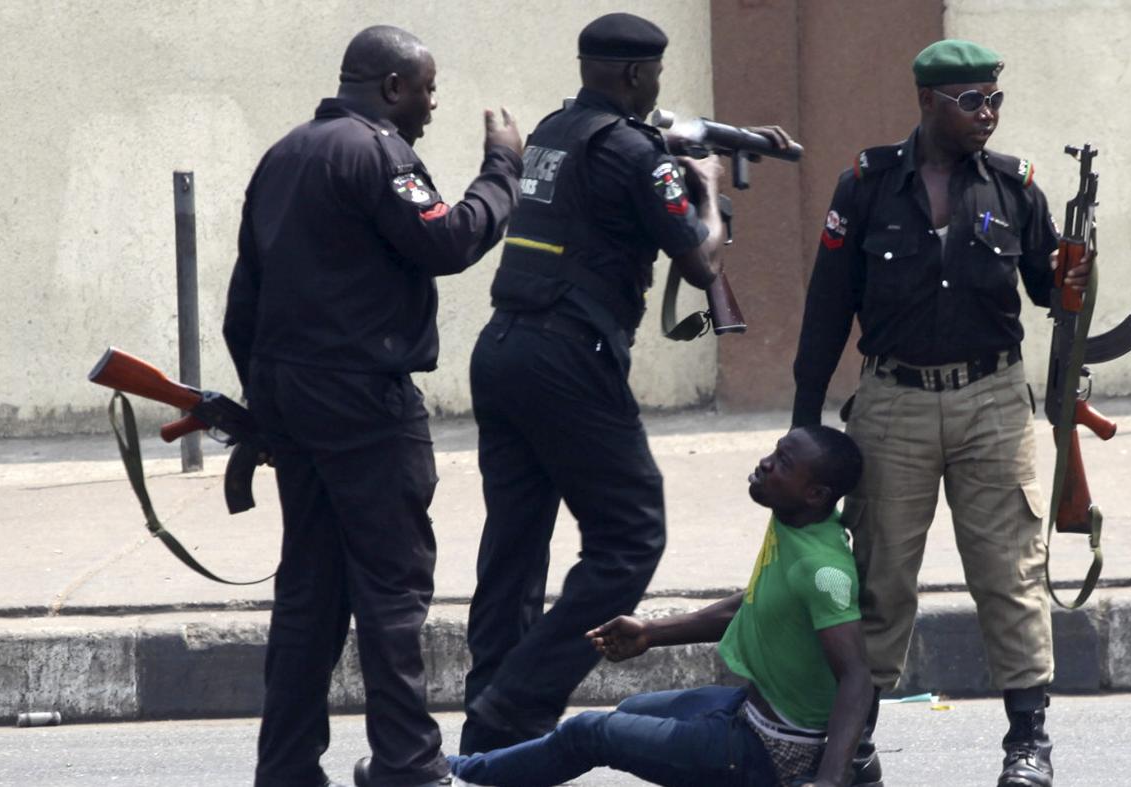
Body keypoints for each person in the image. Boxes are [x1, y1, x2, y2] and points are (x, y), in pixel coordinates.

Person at [458, 11, 793, 756]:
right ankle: (518, 703)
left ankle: (492, 721)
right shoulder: (636, 153)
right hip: (567, 358)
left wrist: (697, 142)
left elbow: (617, 161)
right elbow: (702, 263)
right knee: (630, 536)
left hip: (503, 348)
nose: (657, 85)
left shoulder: (556, 130)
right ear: (638, 76)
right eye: (656, 74)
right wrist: (705, 187)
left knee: (514, 544)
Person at [221, 25, 522, 787]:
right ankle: (408, 765)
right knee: (392, 587)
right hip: (361, 396)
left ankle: (286, 768)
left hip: (290, 390)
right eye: (425, 89)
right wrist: (503, 170)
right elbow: (448, 241)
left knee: (309, 592)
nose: (430, 104)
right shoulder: (376, 151)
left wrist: (264, 409)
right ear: (392, 87)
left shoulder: (285, 153)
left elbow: (241, 303)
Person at [789, 39, 1092, 787]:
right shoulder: (864, 186)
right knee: (881, 577)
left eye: (994, 100)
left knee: (1011, 572)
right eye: (971, 101)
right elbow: (827, 309)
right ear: (927, 102)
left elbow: (1049, 296)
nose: (986, 114)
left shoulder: (1018, 188)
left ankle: (1029, 745)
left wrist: (1072, 278)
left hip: (993, 399)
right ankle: (857, 742)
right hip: (893, 402)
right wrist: (805, 421)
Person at [436, 426, 870, 787]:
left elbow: (855, 677)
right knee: (630, 713)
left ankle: (459, 778)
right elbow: (756, 603)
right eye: (775, 451)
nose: (765, 462)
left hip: (774, 751)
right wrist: (650, 633)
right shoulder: (793, 520)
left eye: (784, 464)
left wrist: (830, 781)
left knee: (591, 732)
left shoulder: (823, 571)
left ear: (815, 494)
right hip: (747, 708)